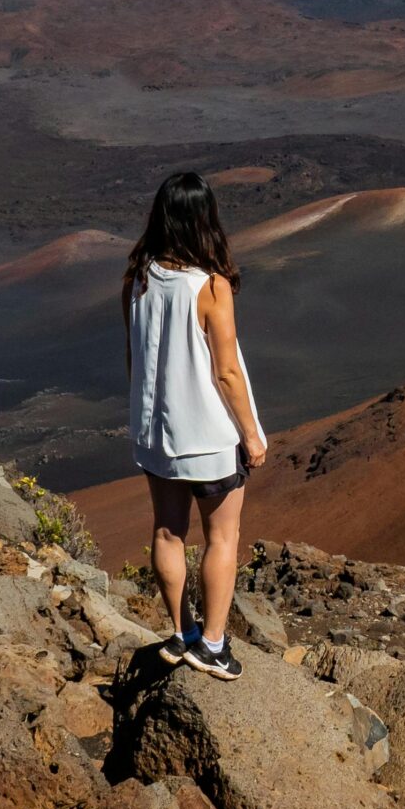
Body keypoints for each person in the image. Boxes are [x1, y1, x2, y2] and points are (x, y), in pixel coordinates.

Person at [123, 169, 268, 679]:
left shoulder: (138, 277)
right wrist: (251, 434)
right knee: (221, 538)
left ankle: (181, 631)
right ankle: (211, 645)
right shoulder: (210, 285)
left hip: (154, 432)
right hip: (206, 436)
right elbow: (226, 371)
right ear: (205, 220)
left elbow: (134, 357)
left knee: (167, 532)